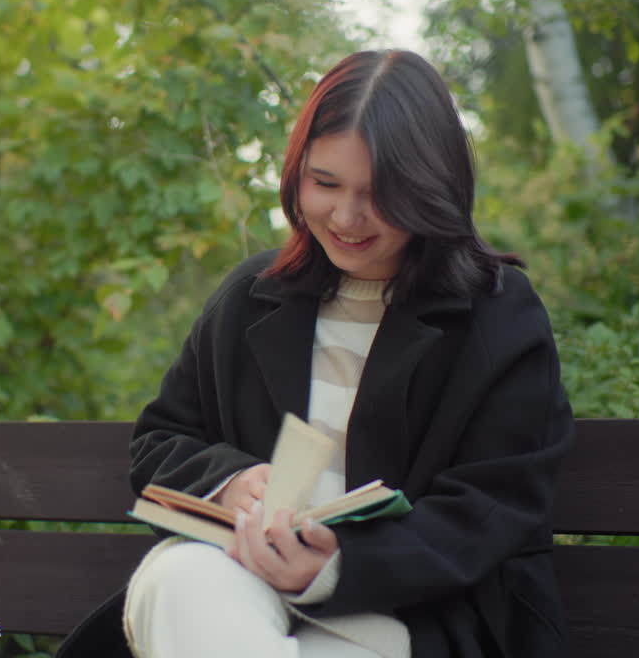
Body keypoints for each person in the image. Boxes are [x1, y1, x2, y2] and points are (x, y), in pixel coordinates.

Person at [56, 49, 575, 658]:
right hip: (243, 582)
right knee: (177, 579)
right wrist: (229, 482)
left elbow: (494, 503)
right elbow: (162, 439)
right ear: (297, 170)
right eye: (325, 183)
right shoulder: (252, 296)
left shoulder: (497, 313)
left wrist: (333, 567)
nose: (347, 217)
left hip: (408, 608)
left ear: (432, 189)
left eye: (381, 194)